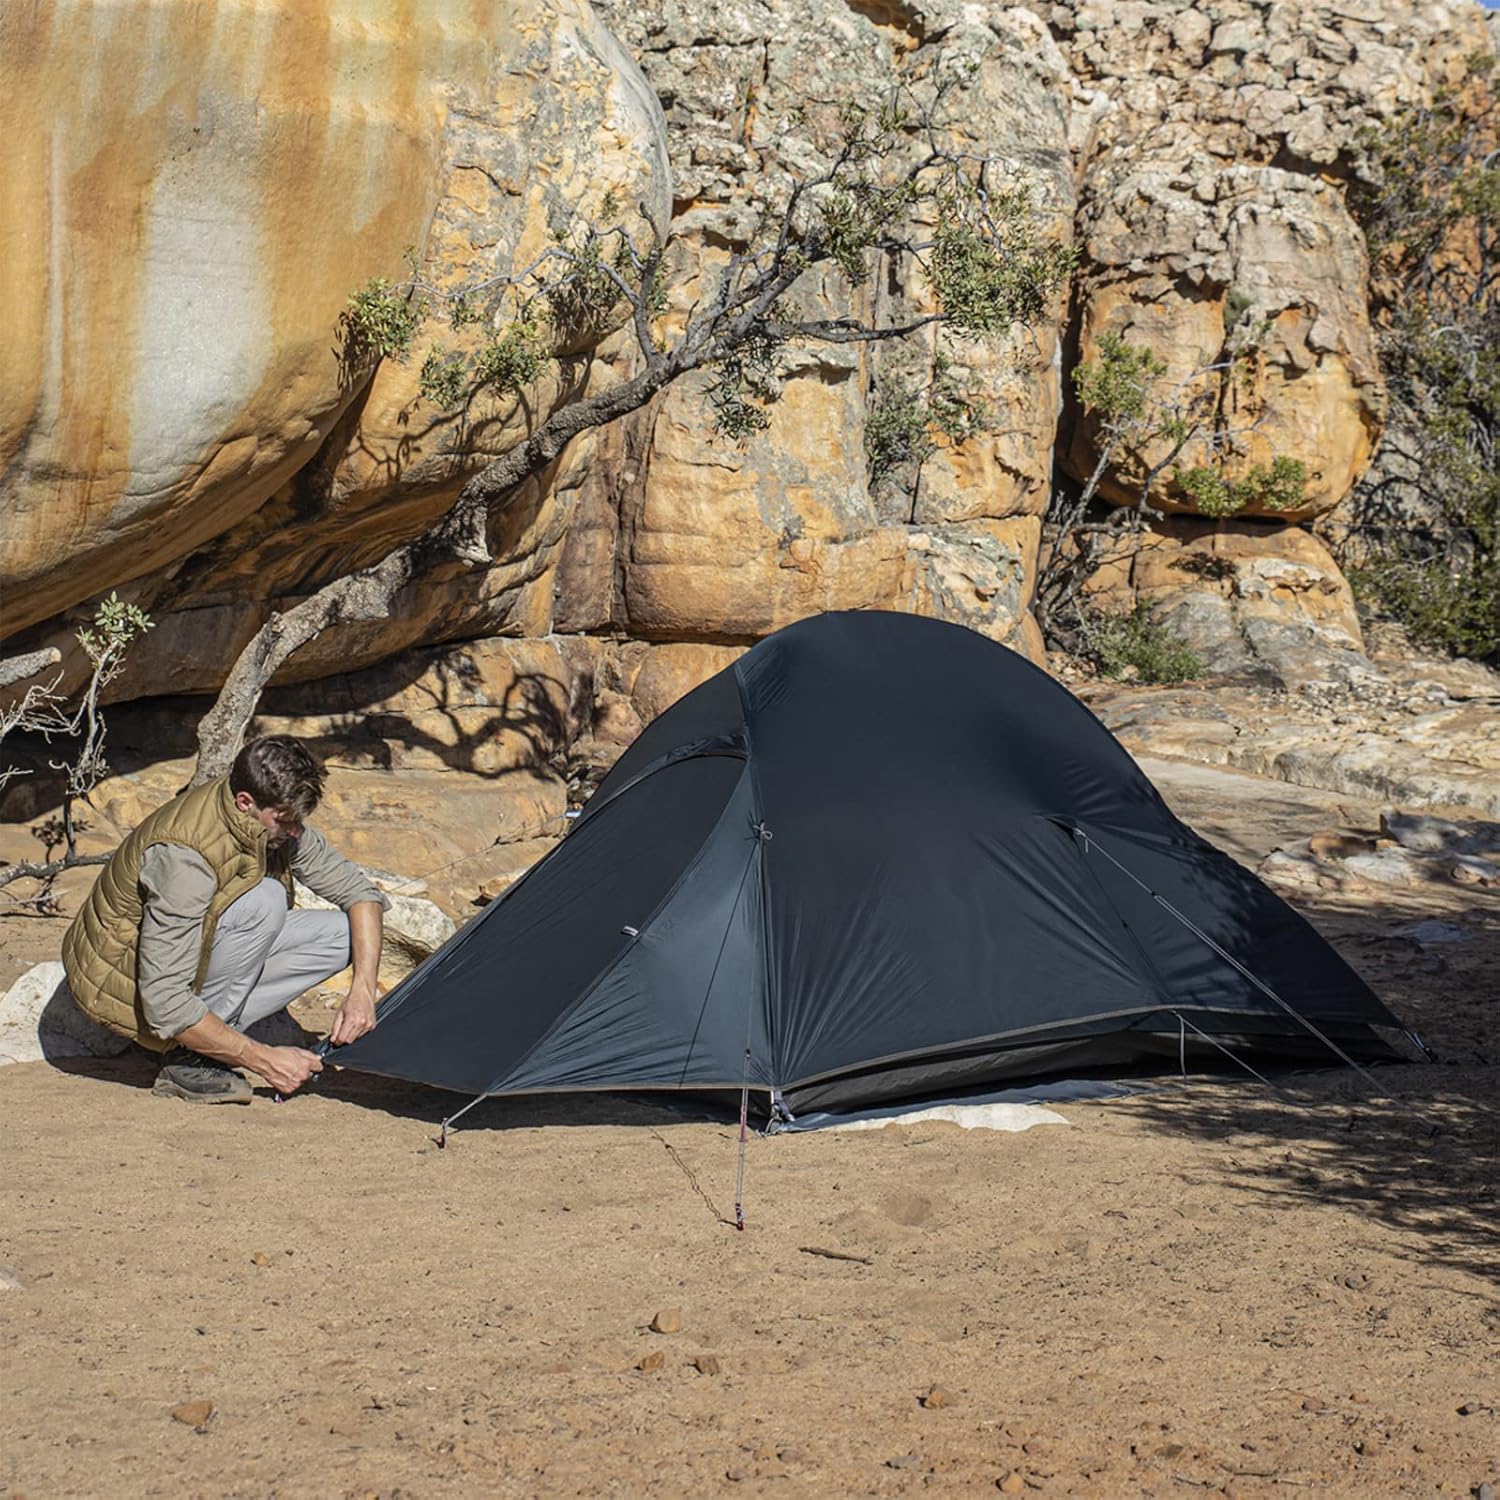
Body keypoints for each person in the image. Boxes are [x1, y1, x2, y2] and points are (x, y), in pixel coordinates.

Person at [63, 735, 385, 1104]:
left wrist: (363, 991)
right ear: (245, 802)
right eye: (285, 820)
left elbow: (361, 894)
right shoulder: (184, 857)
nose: (295, 831)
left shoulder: (266, 817)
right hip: (125, 981)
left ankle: (212, 1034)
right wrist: (264, 1060)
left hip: (188, 953)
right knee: (265, 900)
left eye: (299, 821)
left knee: (344, 935)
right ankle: (191, 1057)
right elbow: (164, 1001)